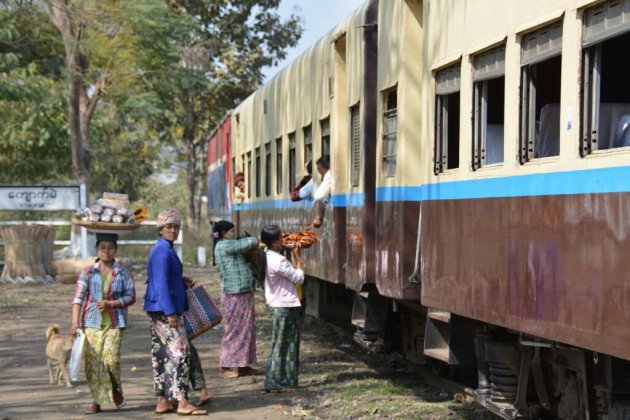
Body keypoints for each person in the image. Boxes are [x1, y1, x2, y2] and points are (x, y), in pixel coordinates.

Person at [144, 209, 207, 416]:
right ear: (160, 229)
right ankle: (182, 402)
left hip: (158, 309)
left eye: (176, 226)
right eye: (169, 227)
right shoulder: (162, 251)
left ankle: (162, 401)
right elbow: (160, 284)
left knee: (161, 354)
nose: (173, 230)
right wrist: (171, 313)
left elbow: (163, 279)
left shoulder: (164, 249)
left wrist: (181, 282)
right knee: (181, 353)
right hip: (165, 312)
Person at [70, 233, 136, 415]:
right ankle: (96, 401)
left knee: (111, 361)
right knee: (93, 364)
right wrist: (75, 323)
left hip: (116, 322)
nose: (106, 251)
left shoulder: (123, 272)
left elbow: (131, 296)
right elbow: (78, 298)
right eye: (103, 248)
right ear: (97, 250)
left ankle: (114, 389)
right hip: (91, 323)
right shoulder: (88, 272)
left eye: (110, 247)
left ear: (115, 249)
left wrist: (112, 304)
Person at [212, 220, 261, 378]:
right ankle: (224, 366)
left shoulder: (229, 244)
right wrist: (255, 238)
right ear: (223, 233)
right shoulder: (223, 245)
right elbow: (248, 243)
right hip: (234, 294)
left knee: (247, 329)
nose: (234, 233)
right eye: (231, 231)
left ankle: (243, 365)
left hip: (243, 292)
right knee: (234, 330)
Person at [260, 225, 305, 392]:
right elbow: (298, 278)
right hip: (284, 305)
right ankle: (274, 381)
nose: (283, 240)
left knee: (288, 343)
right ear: (274, 242)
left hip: (278, 303)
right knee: (282, 344)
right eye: (280, 239)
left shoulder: (267, 255)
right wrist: (298, 259)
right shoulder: (278, 260)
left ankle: (288, 379)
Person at [312, 155, 334, 228]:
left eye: (321, 172)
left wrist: (319, 216)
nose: (321, 175)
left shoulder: (329, 175)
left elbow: (319, 197)